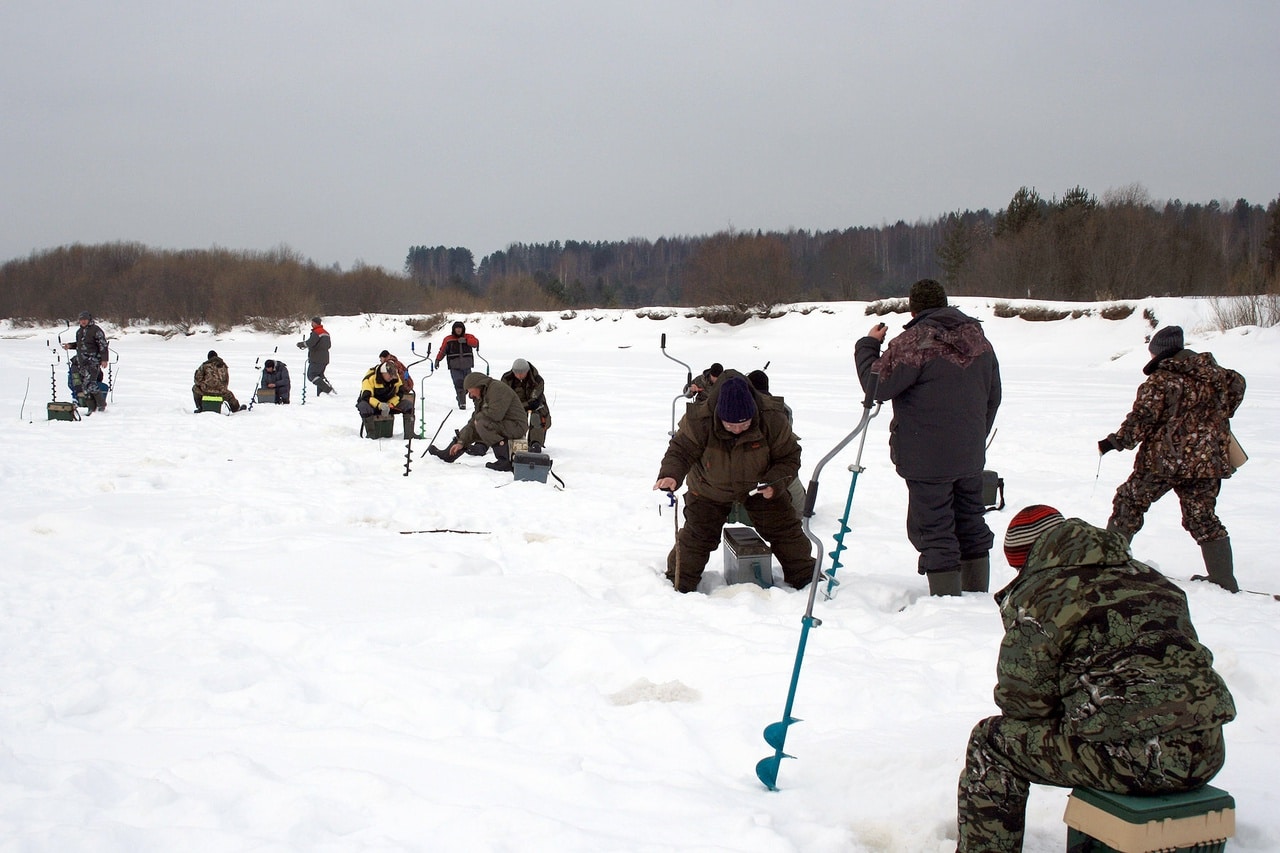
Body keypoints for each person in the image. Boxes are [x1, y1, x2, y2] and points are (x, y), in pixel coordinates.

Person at [955, 505, 1235, 853]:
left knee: (992, 742)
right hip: (1208, 750)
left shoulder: (1044, 596)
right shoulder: (1151, 579)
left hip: (1134, 759)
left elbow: (1023, 702)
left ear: (1029, 558)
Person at [854, 278, 1002, 596]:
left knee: (934, 529)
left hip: (927, 457)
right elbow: (994, 395)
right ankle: (976, 596)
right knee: (971, 522)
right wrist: (975, 435)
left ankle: (949, 604)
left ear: (914, 308)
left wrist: (868, 345)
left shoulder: (914, 340)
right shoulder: (978, 339)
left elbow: (876, 385)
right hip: (969, 454)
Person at [1099, 325, 1246, 593]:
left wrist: (1116, 442)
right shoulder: (1219, 377)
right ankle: (1224, 579)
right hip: (1206, 462)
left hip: (1164, 462)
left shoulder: (1161, 381)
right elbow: (1237, 387)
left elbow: (1141, 420)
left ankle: (1108, 566)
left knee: (1129, 503)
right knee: (1202, 517)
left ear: (1160, 353)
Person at [652, 371, 815, 593]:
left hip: (759, 488)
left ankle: (808, 581)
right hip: (709, 489)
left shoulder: (772, 418)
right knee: (697, 537)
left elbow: (789, 457)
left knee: (786, 531)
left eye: (744, 424)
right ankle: (676, 585)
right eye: (730, 425)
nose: (737, 429)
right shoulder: (700, 419)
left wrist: (774, 483)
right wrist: (671, 474)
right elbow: (681, 450)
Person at [427, 372, 527, 470]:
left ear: (478, 386)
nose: (470, 395)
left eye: (470, 391)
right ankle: (449, 454)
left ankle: (504, 461)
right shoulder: (483, 395)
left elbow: (496, 414)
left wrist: (477, 419)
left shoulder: (497, 389)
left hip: (516, 426)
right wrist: (461, 442)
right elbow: (474, 421)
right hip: (504, 424)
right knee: (476, 423)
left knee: (482, 423)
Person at [62, 310, 109, 413]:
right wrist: (70, 346)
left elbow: (103, 345)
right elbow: (80, 345)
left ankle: (101, 404)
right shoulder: (79, 332)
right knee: (84, 386)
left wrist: (104, 359)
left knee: (91, 384)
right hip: (82, 362)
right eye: (81, 320)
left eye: (85, 320)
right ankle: (91, 407)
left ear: (89, 320)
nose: (83, 321)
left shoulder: (96, 330)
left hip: (93, 361)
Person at [501, 358, 551, 452]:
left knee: (536, 418)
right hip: (514, 405)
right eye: (517, 373)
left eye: (522, 373)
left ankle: (535, 443)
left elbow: (534, 401)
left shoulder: (537, 380)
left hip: (535, 405)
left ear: (527, 371)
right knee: (514, 419)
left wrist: (521, 406)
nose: (519, 375)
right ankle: (516, 444)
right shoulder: (507, 379)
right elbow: (505, 396)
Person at [356, 360, 414, 437]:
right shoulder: (369, 379)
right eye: (390, 375)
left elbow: (400, 394)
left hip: (389, 404)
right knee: (364, 406)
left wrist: (390, 404)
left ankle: (409, 435)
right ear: (383, 372)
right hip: (372, 405)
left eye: (393, 375)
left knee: (408, 405)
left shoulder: (395, 379)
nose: (392, 378)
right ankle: (371, 435)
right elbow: (366, 397)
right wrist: (380, 405)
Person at [434, 321, 479, 409]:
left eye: (460, 328)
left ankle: (462, 397)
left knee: (469, 384)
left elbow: (476, 343)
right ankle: (462, 403)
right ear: (454, 329)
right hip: (455, 367)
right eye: (456, 328)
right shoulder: (448, 339)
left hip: (467, 366)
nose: (458, 330)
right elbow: (442, 351)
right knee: (459, 384)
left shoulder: (469, 337)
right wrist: (438, 360)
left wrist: (466, 341)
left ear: (463, 329)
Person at [296, 317, 334, 395]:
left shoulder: (317, 332)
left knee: (311, 375)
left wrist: (301, 344)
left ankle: (327, 389)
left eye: (312, 323)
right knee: (319, 376)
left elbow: (310, 343)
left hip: (316, 358)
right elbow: (329, 345)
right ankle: (321, 394)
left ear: (315, 323)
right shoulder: (326, 333)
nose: (311, 324)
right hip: (325, 358)